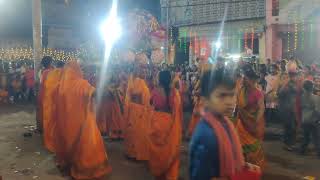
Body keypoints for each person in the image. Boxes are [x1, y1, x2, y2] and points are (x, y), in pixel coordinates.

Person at [189, 69, 260, 180]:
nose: (229, 101)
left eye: (232, 95)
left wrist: (243, 167)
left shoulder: (225, 123)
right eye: (222, 96)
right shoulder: (206, 134)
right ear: (205, 100)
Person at [55, 61, 112, 179]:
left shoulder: (61, 87)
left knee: (71, 147)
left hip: (67, 126)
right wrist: (106, 82)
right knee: (85, 150)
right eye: (80, 68)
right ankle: (83, 171)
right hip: (83, 124)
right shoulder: (81, 84)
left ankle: (70, 165)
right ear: (76, 70)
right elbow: (96, 94)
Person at [148, 70, 182, 180]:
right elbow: (176, 109)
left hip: (157, 122)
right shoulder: (174, 92)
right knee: (170, 148)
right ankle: (169, 174)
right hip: (169, 122)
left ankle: (159, 172)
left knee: (157, 149)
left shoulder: (155, 90)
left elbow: (150, 102)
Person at [236, 64, 265, 169]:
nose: (244, 80)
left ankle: (252, 168)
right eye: (244, 78)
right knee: (240, 147)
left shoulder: (258, 93)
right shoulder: (240, 91)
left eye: (246, 78)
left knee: (253, 149)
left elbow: (261, 108)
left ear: (252, 80)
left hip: (253, 124)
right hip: (241, 124)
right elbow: (237, 106)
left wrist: (256, 121)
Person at [124, 65, 151, 161]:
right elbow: (146, 96)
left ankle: (132, 152)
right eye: (141, 70)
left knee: (134, 130)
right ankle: (136, 152)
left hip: (133, 108)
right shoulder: (140, 82)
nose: (143, 72)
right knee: (137, 131)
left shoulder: (132, 81)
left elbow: (128, 96)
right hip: (139, 109)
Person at [42, 61, 64, 153]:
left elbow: (44, 85)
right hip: (56, 102)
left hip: (48, 100)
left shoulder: (48, 73)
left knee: (49, 122)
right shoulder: (61, 73)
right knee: (55, 123)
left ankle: (50, 142)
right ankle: (55, 143)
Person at [278, 71, 300, 151]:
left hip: (293, 109)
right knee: (289, 127)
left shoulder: (295, 84)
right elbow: (280, 94)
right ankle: (288, 144)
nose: (296, 78)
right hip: (287, 110)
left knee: (292, 127)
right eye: (294, 76)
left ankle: (290, 143)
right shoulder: (286, 86)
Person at [299, 80, 320, 158]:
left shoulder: (302, 97)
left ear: (304, 88)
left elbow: (301, 107)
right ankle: (319, 153)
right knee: (316, 138)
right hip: (313, 120)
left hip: (304, 119)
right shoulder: (316, 98)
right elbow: (318, 110)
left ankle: (302, 150)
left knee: (306, 136)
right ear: (312, 87)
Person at [37, 56, 54, 132]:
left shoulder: (43, 72)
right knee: (50, 113)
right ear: (50, 63)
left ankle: (43, 128)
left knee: (43, 112)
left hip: (43, 93)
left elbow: (41, 83)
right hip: (49, 95)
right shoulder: (51, 71)